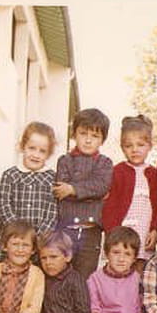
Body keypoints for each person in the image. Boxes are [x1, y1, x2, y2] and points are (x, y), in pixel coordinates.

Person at [53, 108, 113, 280]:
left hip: (91, 232)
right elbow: (61, 188)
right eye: (83, 133)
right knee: (61, 275)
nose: (88, 140)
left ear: (102, 140)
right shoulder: (64, 161)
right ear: (74, 134)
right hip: (66, 229)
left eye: (95, 136)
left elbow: (101, 186)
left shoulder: (105, 163)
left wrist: (73, 189)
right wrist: (90, 193)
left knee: (85, 277)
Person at [0, 121, 58, 262]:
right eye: (32, 148)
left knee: (32, 272)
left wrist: (36, 237)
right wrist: (18, 233)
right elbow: (3, 206)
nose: (36, 155)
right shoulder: (10, 175)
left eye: (42, 151)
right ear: (22, 146)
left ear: (49, 154)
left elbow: (52, 213)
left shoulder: (52, 179)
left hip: (37, 242)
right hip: (11, 237)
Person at [102, 115, 157, 271]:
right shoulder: (117, 172)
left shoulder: (153, 173)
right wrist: (112, 233)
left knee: (141, 269)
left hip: (144, 232)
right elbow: (110, 206)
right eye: (129, 146)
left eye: (140, 145)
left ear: (149, 146)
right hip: (122, 233)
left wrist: (155, 230)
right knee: (121, 268)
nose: (135, 150)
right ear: (122, 147)